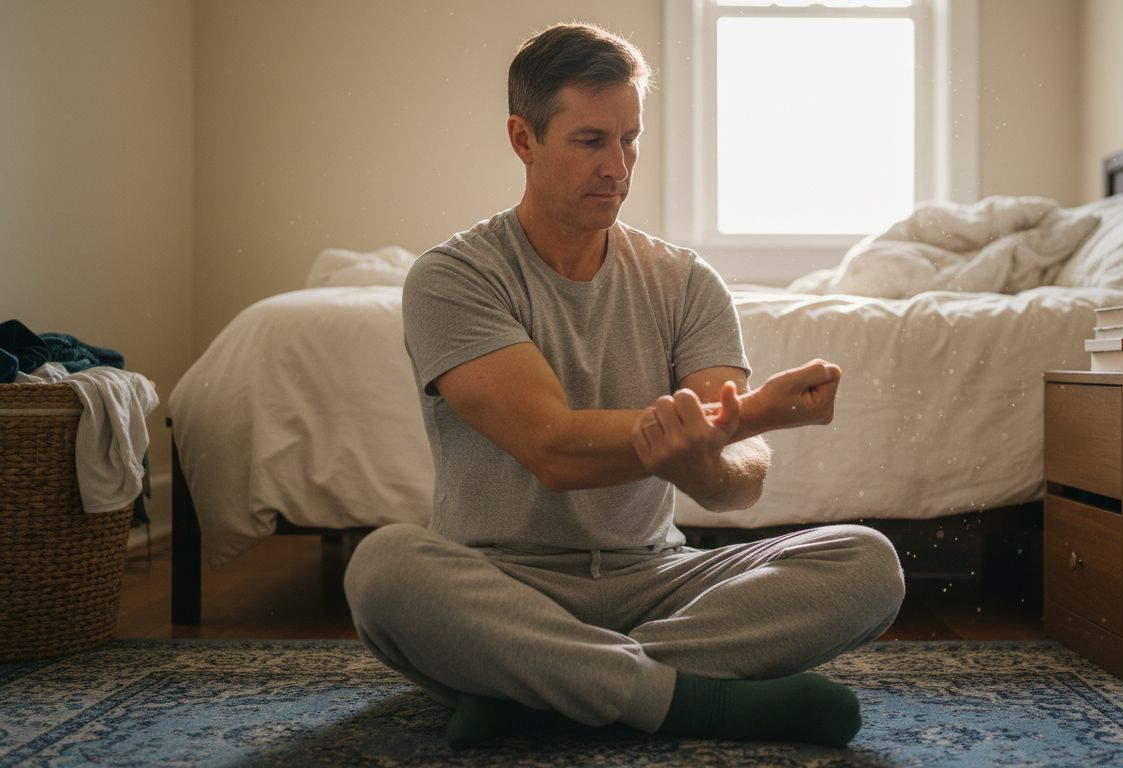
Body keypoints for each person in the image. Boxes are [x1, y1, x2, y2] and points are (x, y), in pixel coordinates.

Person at [343, 21, 905, 750]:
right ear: (523, 139)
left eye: (629, 140)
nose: (618, 166)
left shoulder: (687, 281)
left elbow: (737, 487)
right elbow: (553, 450)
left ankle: (543, 692)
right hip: (503, 586)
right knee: (384, 570)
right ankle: (700, 704)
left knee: (866, 561)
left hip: (658, 585)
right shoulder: (454, 278)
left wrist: (707, 457)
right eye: (590, 141)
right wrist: (756, 413)